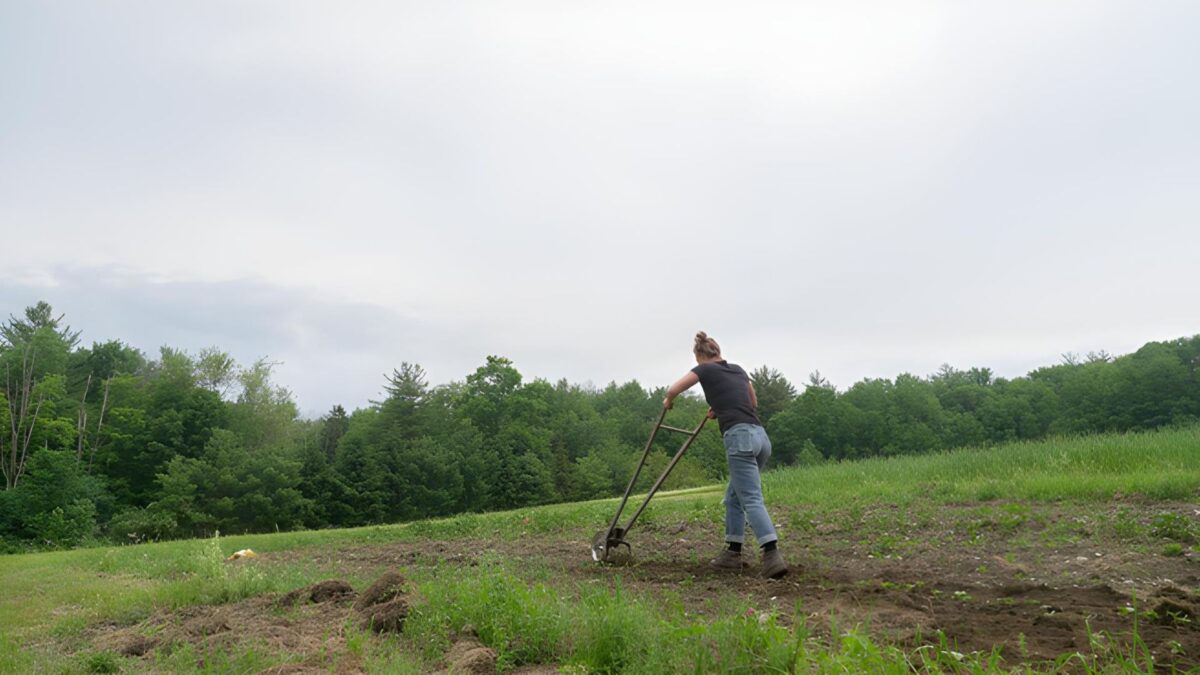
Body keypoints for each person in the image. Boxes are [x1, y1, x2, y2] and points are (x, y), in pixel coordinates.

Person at [663, 331, 789, 579]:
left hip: (739, 438)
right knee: (734, 496)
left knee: (751, 498)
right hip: (760, 438)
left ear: (699, 356)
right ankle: (732, 553)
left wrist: (668, 400)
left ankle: (772, 553)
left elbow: (675, 388)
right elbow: (752, 402)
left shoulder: (705, 370)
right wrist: (719, 408)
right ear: (718, 352)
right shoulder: (738, 370)